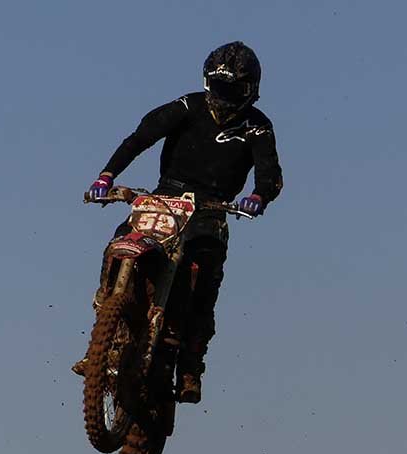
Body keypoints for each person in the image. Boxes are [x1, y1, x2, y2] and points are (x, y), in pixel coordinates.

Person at [74, 41, 283, 404]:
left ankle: (190, 367)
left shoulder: (258, 127)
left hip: (212, 208)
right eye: (219, 87)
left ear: (250, 90)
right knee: (119, 241)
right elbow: (140, 137)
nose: (224, 97)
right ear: (207, 83)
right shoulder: (188, 106)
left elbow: (270, 175)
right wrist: (106, 175)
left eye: (233, 90)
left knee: (204, 275)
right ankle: (103, 334)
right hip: (164, 196)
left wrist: (258, 196)